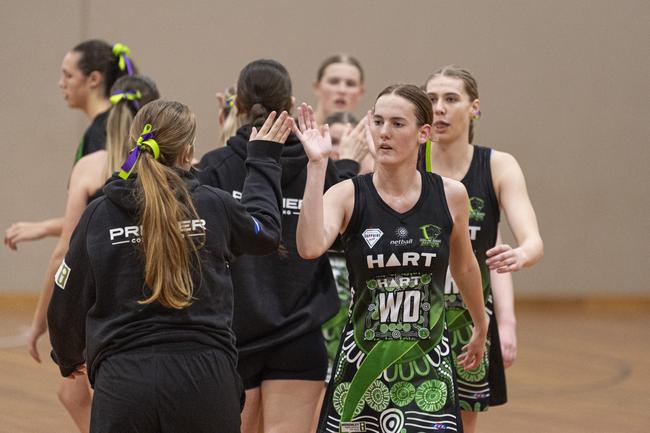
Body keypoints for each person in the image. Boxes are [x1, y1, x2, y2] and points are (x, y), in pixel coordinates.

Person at [47, 100, 290, 433]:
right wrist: (262, 158)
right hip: (205, 380)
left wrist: (67, 354)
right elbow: (266, 232)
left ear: (134, 146)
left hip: (124, 383)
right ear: (188, 153)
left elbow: (65, 295)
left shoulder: (99, 214)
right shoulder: (213, 204)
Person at [295, 84, 489, 433]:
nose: (385, 132)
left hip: (426, 363)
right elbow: (309, 247)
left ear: (423, 134)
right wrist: (316, 166)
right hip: (362, 362)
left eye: (398, 124)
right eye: (379, 122)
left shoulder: (450, 195)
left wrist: (481, 323)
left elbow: (464, 266)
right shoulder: (347, 194)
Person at [197, 58, 367, 433]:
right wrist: (349, 168)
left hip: (232, 334)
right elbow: (344, 232)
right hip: (299, 334)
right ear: (290, 104)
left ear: (238, 106)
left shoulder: (214, 167)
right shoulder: (316, 165)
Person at [23, 74, 159, 433]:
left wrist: (41, 322)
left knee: (96, 395)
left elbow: (66, 252)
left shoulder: (93, 166)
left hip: (103, 299)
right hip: (157, 288)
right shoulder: (169, 169)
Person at [421, 65, 543, 433]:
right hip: (409, 316)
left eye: (451, 99)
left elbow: (531, 241)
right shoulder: (406, 163)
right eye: (431, 100)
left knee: (457, 424)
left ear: (474, 107)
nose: (439, 108)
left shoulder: (497, 166)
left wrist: (521, 256)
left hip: (467, 317)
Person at [4, 39, 136, 249]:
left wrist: (47, 229)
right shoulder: (120, 126)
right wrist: (47, 227)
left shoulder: (102, 135)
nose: (61, 83)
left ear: (93, 79)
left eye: (68, 75)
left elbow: (101, 219)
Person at [313, 54, 365, 125]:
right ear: (317, 88)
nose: (342, 90)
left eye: (350, 84)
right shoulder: (293, 132)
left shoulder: (370, 135)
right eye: (334, 82)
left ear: (360, 93)